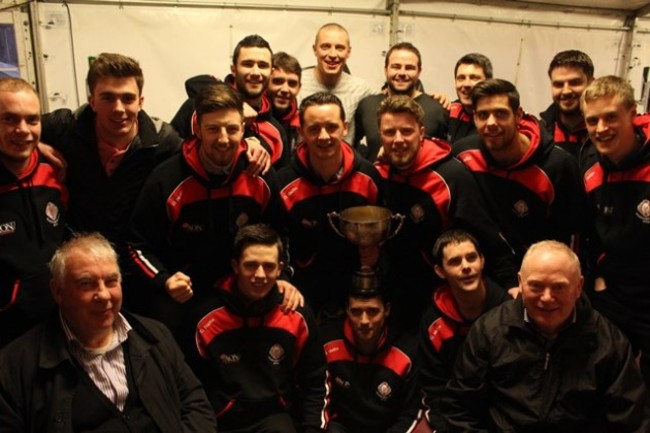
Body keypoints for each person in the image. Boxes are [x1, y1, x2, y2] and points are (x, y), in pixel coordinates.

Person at [0, 233, 217, 432]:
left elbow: (195, 403)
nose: (104, 295)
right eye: (87, 283)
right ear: (58, 291)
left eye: (111, 281)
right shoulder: (14, 367)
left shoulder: (155, 335)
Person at [128, 83, 291, 344]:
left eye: (232, 129)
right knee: (160, 339)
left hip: (244, 286)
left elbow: (280, 231)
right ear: (198, 130)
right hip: (185, 290)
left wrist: (282, 276)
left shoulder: (258, 173)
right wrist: (164, 280)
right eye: (213, 129)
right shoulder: (168, 178)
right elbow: (137, 245)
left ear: (244, 129)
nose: (224, 139)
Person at [443, 240, 650, 432]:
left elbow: (631, 421)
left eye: (559, 287)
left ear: (578, 287)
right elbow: (459, 409)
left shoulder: (609, 341)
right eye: (536, 286)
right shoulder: (489, 331)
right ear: (521, 283)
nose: (547, 297)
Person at [375, 95, 517, 329]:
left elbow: (486, 234)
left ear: (421, 133)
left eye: (406, 131)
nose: (398, 140)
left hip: (445, 298)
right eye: (390, 132)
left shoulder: (452, 176)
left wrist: (510, 282)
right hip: (397, 295)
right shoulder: (380, 174)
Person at [193, 224, 328, 433]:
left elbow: (315, 382)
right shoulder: (206, 317)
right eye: (250, 265)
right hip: (219, 422)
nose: (260, 275)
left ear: (280, 268)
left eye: (269, 266)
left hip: (274, 419)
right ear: (235, 266)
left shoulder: (295, 314)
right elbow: (190, 388)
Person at [40, 53, 181, 249]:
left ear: (140, 102)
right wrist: (35, 144)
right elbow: (13, 128)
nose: (118, 108)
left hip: (137, 259)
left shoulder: (164, 141)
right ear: (92, 101)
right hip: (79, 257)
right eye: (108, 98)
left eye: (127, 98)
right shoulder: (63, 128)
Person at [453, 78, 585, 265]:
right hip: (484, 269)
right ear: (474, 117)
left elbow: (572, 238)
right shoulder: (463, 154)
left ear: (518, 115)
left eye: (500, 113)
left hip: (540, 272)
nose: (491, 123)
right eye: (483, 115)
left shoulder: (558, 166)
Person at [278, 92, 383, 316]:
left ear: (345, 128)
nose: (323, 136)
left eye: (332, 127)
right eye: (314, 129)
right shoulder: (284, 183)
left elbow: (382, 237)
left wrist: (376, 254)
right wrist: (283, 280)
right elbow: (277, 238)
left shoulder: (369, 177)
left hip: (356, 290)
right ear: (301, 132)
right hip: (301, 291)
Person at [581, 75, 650, 387]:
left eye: (611, 117)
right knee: (606, 384)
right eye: (592, 120)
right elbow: (588, 236)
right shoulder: (591, 171)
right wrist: (598, 282)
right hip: (613, 299)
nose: (600, 128)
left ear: (632, 113)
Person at [419, 229, 510, 432]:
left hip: (504, 413)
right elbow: (434, 389)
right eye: (455, 262)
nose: (466, 267)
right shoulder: (433, 324)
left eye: (471, 258)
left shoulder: (507, 311)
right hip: (456, 416)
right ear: (440, 271)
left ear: (482, 261)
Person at [0, 77, 67, 348]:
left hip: (57, 326)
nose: (23, 130)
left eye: (32, 120)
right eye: (9, 119)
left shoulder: (54, 172)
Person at [321, 271, 422, 433]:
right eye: (356, 312)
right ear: (347, 309)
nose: (364, 321)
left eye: (373, 311)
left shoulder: (408, 350)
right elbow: (317, 401)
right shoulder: (327, 342)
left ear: (387, 310)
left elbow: (410, 414)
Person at [171, 34, 289, 168]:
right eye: (248, 64)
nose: (256, 72)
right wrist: (236, 104)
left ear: (271, 72)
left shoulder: (277, 133)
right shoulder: (194, 108)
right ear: (233, 69)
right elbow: (170, 159)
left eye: (262, 65)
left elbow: (276, 184)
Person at [354, 42, 447, 161]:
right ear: (385, 70)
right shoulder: (367, 105)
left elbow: (443, 153)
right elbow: (352, 145)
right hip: (375, 178)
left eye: (409, 68)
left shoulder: (436, 109)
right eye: (396, 67)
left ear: (419, 71)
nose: (402, 73)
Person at [298, 22, 373, 143]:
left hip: (343, 160)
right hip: (301, 160)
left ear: (348, 51)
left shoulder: (361, 89)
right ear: (315, 49)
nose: (333, 54)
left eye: (339, 48)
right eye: (325, 47)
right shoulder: (296, 83)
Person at [539, 50, 596, 167]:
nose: (566, 91)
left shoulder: (607, 132)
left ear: (591, 83)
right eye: (558, 84)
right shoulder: (540, 134)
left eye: (575, 82)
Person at [447, 53, 492, 144]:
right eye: (461, 78)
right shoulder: (448, 111)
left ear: (489, 82)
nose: (466, 84)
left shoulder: (499, 118)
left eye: (474, 78)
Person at [268, 51, 302, 151]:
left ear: (299, 88)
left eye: (292, 83)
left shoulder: (303, 124)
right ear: (266, 82)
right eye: (278, 81)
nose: (285, 89)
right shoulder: (252, 119)